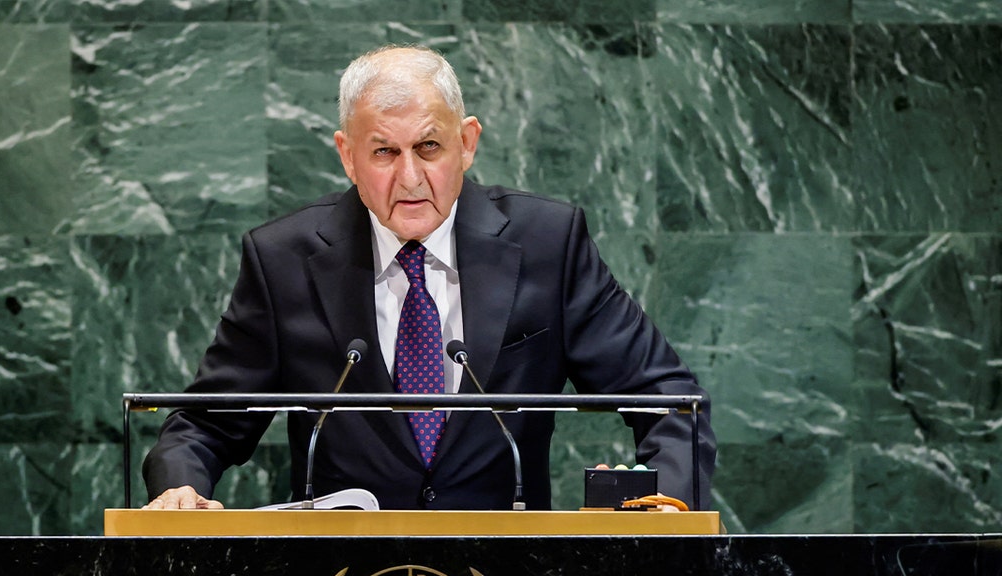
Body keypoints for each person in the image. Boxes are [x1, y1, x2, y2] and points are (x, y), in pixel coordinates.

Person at [143, 45, 716, 511]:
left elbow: (667, 397)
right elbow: (205, 425)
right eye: (384, 152)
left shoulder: (548, 243)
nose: (411, 176)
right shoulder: (283, 259)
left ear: (466, 143)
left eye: (429, 146)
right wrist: (180, 488)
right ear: (347, 156)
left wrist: (667, 503)